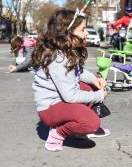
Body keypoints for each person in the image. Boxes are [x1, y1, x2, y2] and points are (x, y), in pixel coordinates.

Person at [32, 8, 110, 152]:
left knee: (89, 87)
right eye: (82, 30)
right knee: (92, 122)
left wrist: (95, 80)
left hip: (59, 102)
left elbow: (79, 72)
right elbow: (70, 96)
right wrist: (99, 96)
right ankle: (57, 133)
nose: (86, 33)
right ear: (66, 34)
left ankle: (79, 130)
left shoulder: (67, 52)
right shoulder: (58, 59)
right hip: (49, 108)